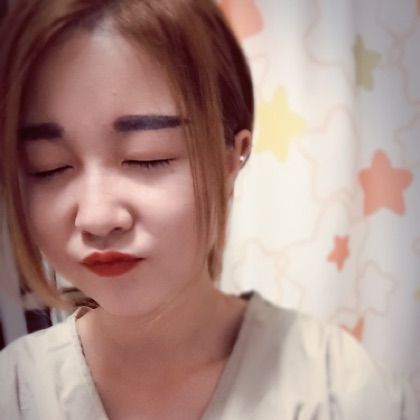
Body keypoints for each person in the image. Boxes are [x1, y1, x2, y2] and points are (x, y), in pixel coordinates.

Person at [0, 0, 418, 419]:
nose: (96, 218)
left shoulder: (335, 385)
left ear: (231, 158)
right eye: (48, 167)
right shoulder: (15, 390)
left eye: (148, 157)